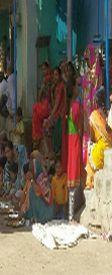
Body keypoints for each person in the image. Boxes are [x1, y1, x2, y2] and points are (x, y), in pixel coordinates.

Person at [85, 87, 112, 189]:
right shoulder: (108, 113)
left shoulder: (94, 115)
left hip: (101, 152)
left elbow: (92, 137)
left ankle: (90, 181)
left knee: (90, 146)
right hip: (110, 145)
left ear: (96, 102)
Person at [66, 79, 83, 220]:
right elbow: (79, 125)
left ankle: (71, 214)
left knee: (72, 171)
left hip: (72, 140)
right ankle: (72, 215)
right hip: (76, 140)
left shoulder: (72, 106)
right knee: (75, 171)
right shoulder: (76, 106)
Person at [46, 67, 67, 170]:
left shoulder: (61, 86)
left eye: (56, 75)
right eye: (53, 75)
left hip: (60, 116)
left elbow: (58, 103)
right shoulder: (55, 87)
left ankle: (56, 159)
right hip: (56, 115)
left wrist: (51, 116)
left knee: (49, 129)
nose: (54, 77)